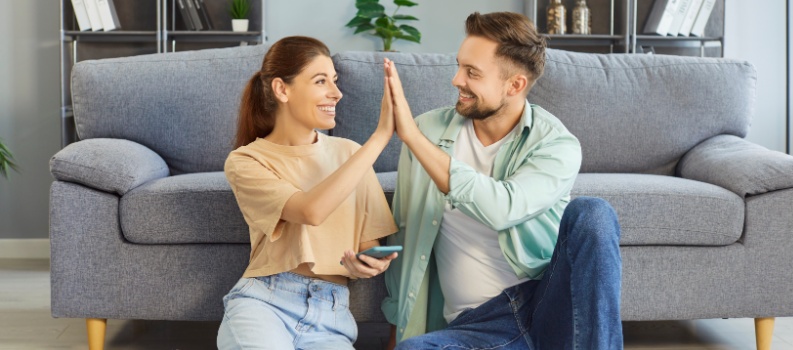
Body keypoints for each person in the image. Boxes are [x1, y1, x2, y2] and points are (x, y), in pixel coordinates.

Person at [380, 12, 623, 349]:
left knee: (593, 213)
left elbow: (503, 207)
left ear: (515, 85)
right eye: (459, 66)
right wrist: (397, 331)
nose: (456, 80)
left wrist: (412, 139)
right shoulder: (427, 132)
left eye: (472, 73)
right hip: (477, 327)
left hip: (545, 305)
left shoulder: (555, 144)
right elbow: (406, 232)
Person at [216, 36, 399, 350]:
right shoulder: (246, 161)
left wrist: (367, 263)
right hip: (265, 304)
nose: (336, 93)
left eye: (335, 81)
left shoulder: (350, 154)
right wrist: (381, 137)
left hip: (331, 316)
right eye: (320, 81)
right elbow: (309, 211)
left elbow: (368, 245)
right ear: (282, 89)